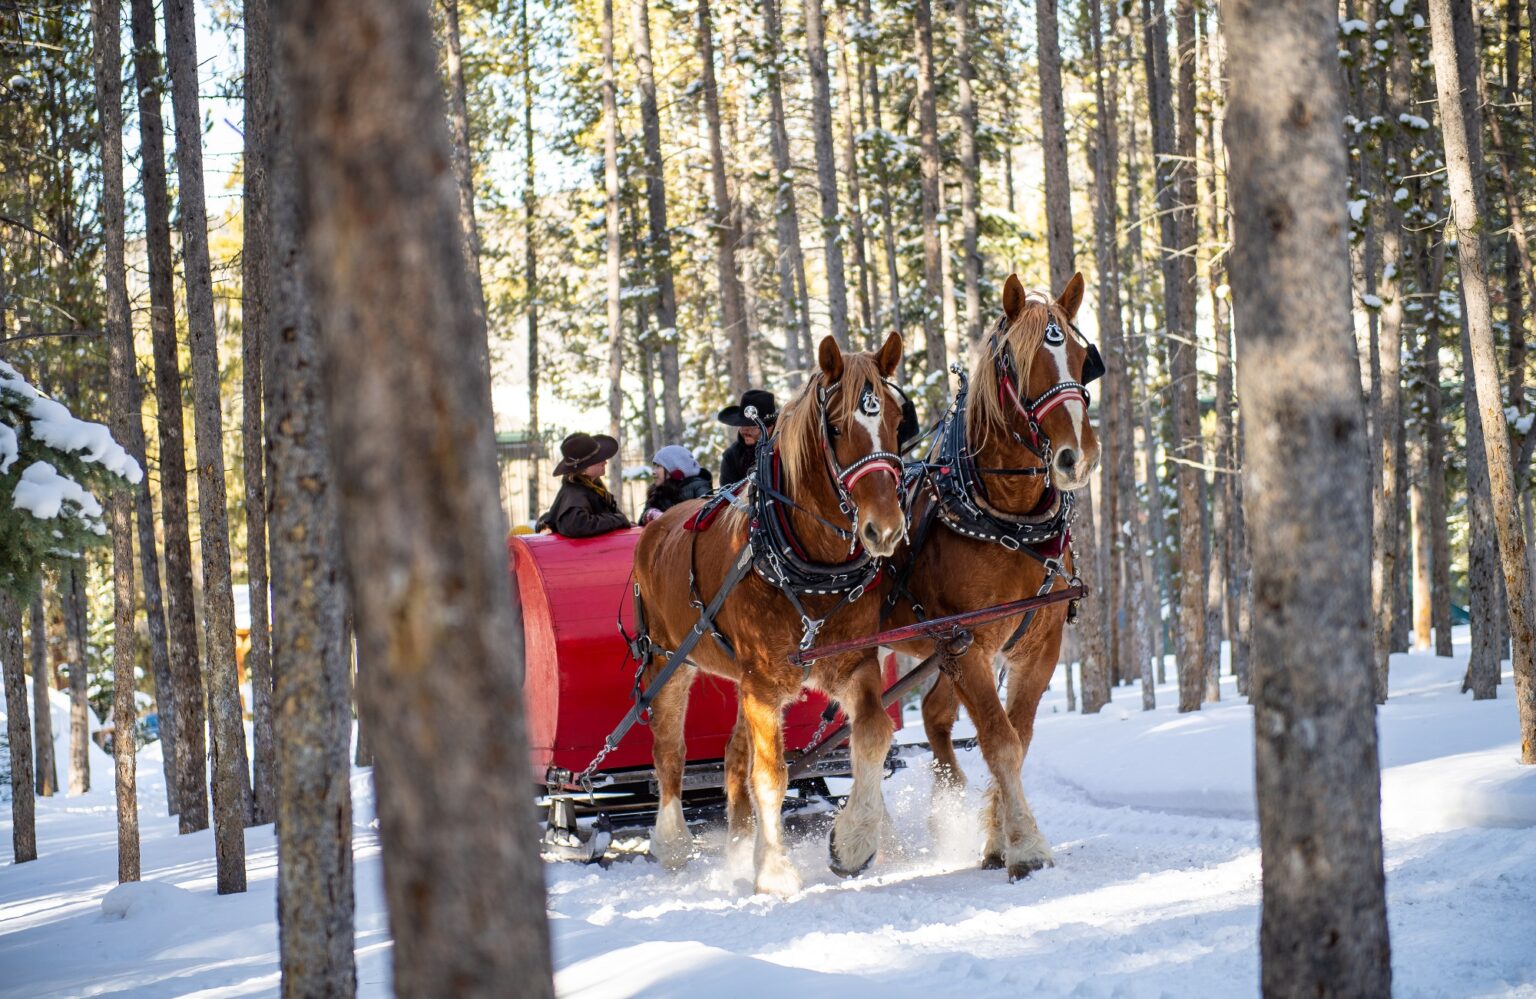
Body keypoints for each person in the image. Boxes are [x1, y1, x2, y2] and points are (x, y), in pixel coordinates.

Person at [536, 432, 632, 538]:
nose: (605, 462)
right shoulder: (574, 493)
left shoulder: (592, 486)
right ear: (583, 470)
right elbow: (575, 525)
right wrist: (617, 520)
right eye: (598, 459)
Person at [717, 389, 777, 485]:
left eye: (752, 425)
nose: (744, 430)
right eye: (742, 425)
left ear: (770, 427)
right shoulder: (732, 457)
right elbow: (728, 496)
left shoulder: (786, 449)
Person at [641, 445, 714, 523]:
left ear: (674, 468)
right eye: (654, 466)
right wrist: (650, 514)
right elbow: (640, 523)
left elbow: (708, 518)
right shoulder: (657, 491)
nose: (653, 472)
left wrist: (670, 518)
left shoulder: (699, 486)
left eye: (658, 466)